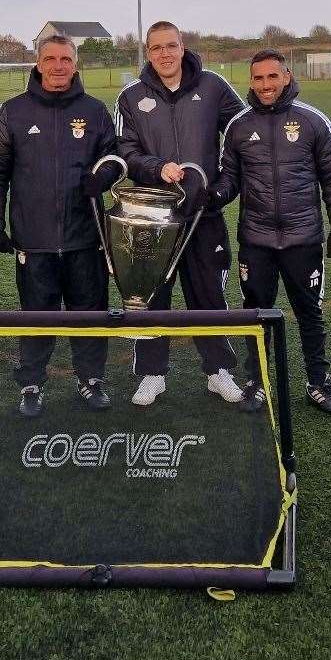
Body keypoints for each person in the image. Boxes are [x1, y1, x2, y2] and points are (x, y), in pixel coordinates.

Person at [0, 34, 121, 417]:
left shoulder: (94, 111)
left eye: (65, 59)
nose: (58, 66)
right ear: (38, 63)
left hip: (86, 238)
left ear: (75, 64)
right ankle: (31, 384)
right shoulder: (14, 112)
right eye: (50, 59)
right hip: (35, 239)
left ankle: (91, 381)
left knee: (90, 314)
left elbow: (115, 157)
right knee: (36, 314)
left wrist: (103, 176)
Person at [211, 49, 331, 415]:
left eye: (273, 77)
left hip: (303, 238)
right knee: (257, 315)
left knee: (309, 313)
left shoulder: (313, 121)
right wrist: (215, 195)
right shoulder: (239, 126)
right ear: (251, 82)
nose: (266, 85)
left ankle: (318, 384)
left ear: (286, 77)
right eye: (258, 78)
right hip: (256, 240)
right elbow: (230, 178)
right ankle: (257, 383)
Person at [115, 20, 246, 407]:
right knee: (151, 296)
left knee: (208, 296)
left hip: (203, 215)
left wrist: (220, 187)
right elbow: (126, 151)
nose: (165, 55)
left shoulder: (214, 86)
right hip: (152, 218)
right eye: (156, 49)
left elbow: (241, 136)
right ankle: (152, 374)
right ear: (147, 51)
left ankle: (218, 372)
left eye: (170, 46)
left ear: (182, 45)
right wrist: (157, 168)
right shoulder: (131, 96)